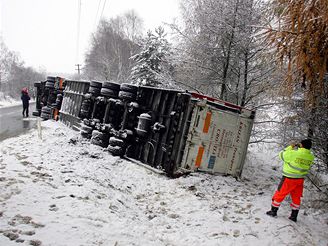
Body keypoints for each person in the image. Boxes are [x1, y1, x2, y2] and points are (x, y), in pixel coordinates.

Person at [266, 139, 314, 222]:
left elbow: (281, 155)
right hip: (300, 180)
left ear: (301, 145)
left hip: (289, 178)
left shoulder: (293, 153)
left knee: (280, 193)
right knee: (296, 197)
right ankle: (294, 216)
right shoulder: (311, 157)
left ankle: (273, 211)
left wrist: (290, 147)